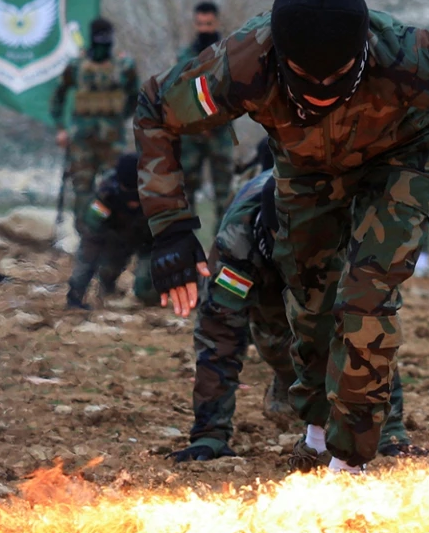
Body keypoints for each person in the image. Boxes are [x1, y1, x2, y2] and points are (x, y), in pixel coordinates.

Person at [134, 0, 429, 473]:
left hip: (401, 156)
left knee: (365, 297)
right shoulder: (242, 66)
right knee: (310, 300)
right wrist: (171, 226)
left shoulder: (412, 61)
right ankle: (317, 432)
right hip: (306, 167)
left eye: (338, 77)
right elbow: (156, 109)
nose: (322, 92)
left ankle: (350, 463)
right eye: (306, 78)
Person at [174, 172, 416, 464]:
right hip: (265, 272)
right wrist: (209, 435)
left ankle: (371, 421)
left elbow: (371, 328)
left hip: (327, 263)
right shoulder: (237, 247)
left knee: (358, 325)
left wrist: (390, 433)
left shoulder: (348, 232)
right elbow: (218, 337)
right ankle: (289, 385)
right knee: (279, 342)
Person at [50, 17, 139, 239]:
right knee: (82, 191)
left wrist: (120, 117)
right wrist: (61, 129)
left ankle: (112, 237)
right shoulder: (76, 66)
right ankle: (86, 239)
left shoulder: (124, 67)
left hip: (112, 142)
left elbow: (135, 96)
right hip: (82, 141)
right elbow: (58, 98)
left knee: (114, 190)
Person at [65, 153, 157, 310]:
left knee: (146, 289)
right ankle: (107, 286)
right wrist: (76, 292)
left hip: (151, 242)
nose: (133, 203)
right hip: (117, 238)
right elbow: (90, 240)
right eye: (129, 195)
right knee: (107, 269)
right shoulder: (105, 196)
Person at [176, 1, 236, 222]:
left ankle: (223, 241)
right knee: (185, 192)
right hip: (192, 133)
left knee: (224, 195)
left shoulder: (230, 53)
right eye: (200, 24)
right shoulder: (185, 56)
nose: (204, 29)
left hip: (221, 133)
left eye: (208, 24)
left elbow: (237, 93)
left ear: (216, 23)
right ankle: (187, 240)